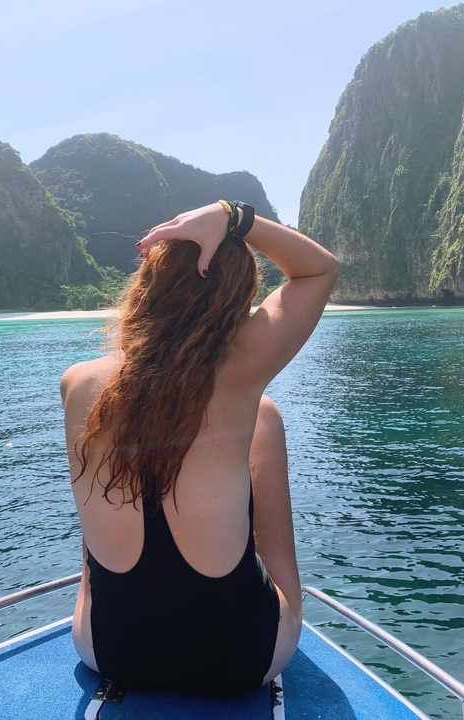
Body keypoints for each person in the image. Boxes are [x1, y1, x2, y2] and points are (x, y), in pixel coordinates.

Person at [60, 200, 339, 696]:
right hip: (245, 659)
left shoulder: (78, 384)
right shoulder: (239, 377)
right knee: (264, 420)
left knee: (101, 503)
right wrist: (234, 216)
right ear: (236, 301)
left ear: (147, 287)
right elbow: (319, 269)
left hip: (109, 652)